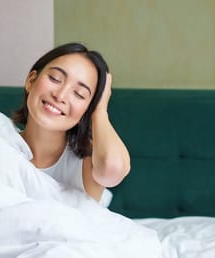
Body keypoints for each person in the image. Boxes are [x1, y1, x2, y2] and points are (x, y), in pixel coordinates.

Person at [11, 43, 130, 203]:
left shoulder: (87, 161)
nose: (60, 96)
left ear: (87, 110)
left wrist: (100, 111)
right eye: (55, 78)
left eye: (79, 94)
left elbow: (112, 167)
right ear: (31, 80)